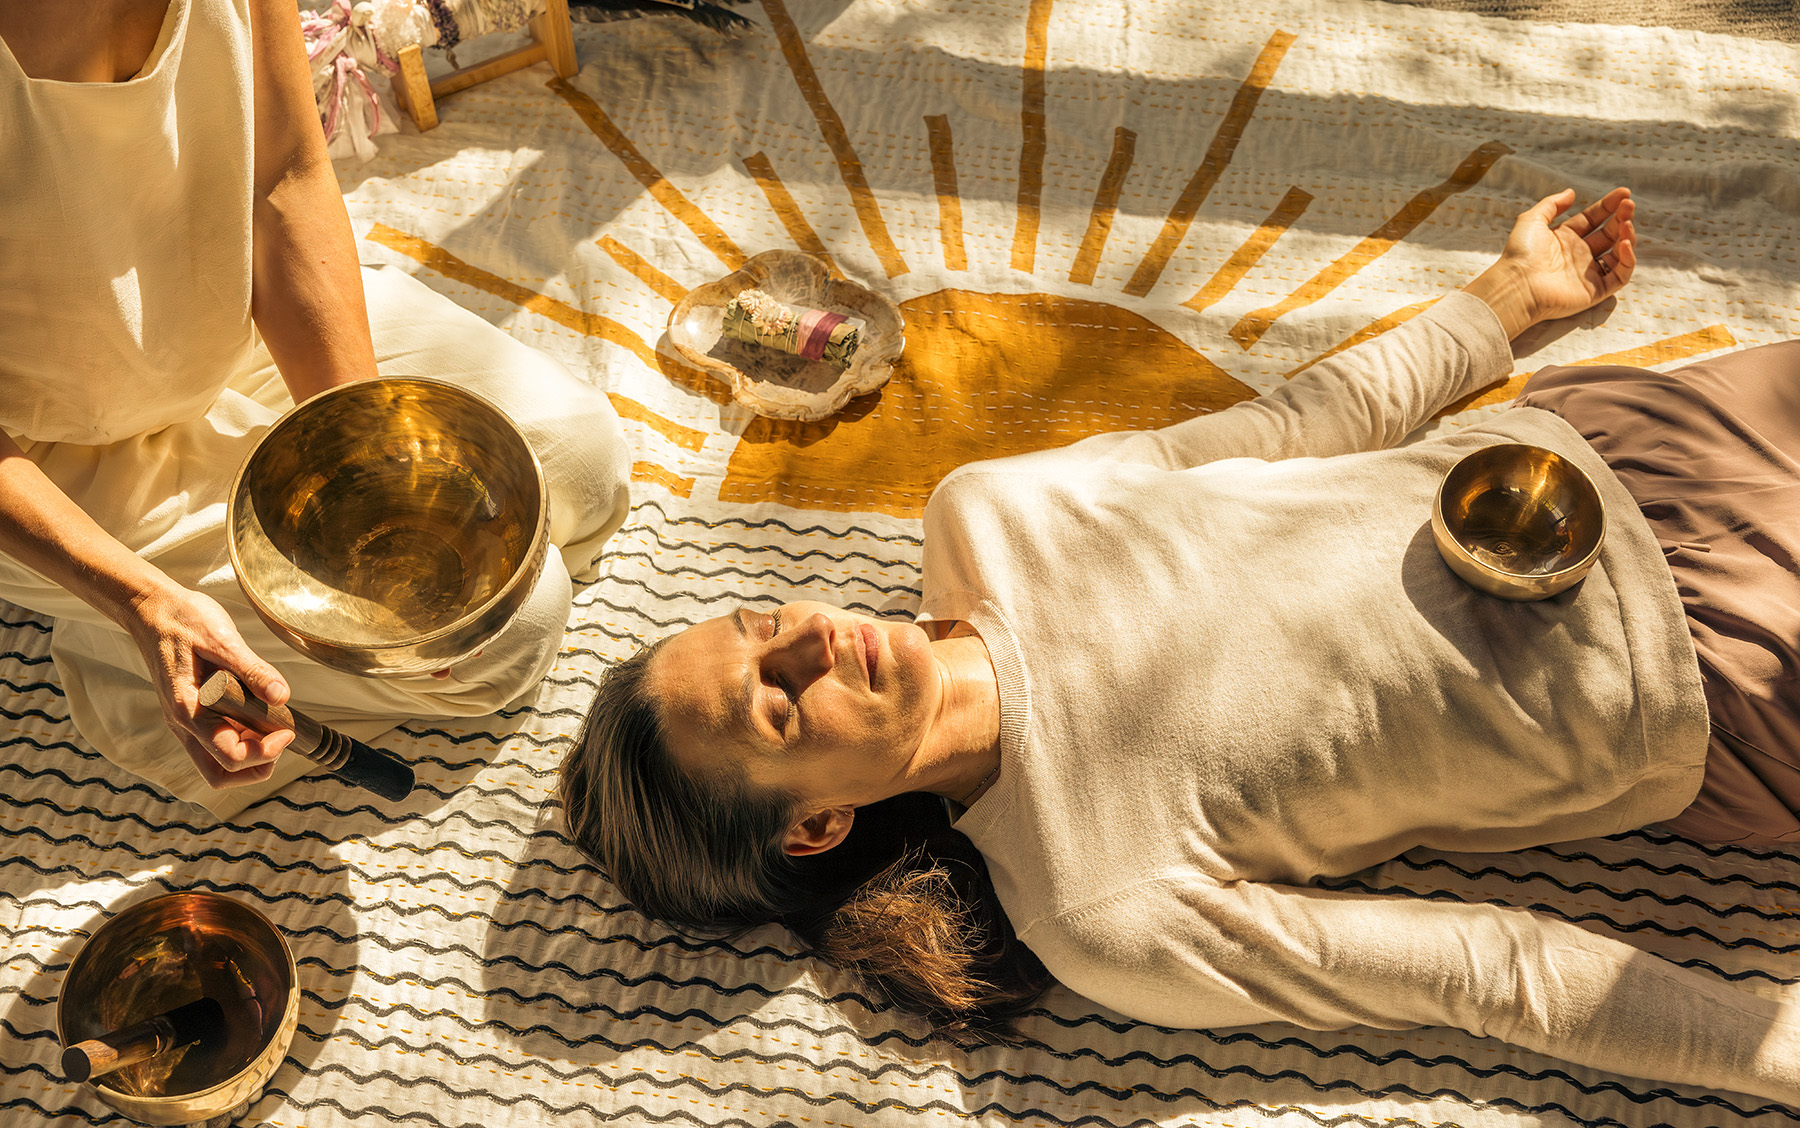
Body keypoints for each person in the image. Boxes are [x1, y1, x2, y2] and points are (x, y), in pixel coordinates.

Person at [560, 185, 1800, 1104]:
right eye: (781, 704)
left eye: (765, 626)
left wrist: (1506, 301)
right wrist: (1768, 1052)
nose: (818, 639)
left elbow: (1295, 428)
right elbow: (1489, 969)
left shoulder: (987, 512)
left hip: (1628, 444)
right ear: (814, 825)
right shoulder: (1100, 907)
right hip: (1721, 682)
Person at [0, 0, 632, 818]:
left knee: (581, 464)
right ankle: (110, 651)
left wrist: (362, 459)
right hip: (45, 450)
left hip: (232, 317)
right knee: (512, 641)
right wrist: (142, 600)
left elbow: (285, 178)